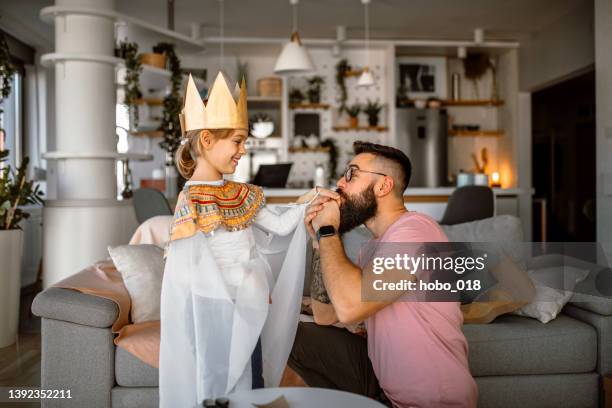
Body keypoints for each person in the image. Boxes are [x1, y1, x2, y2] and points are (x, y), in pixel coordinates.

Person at [158, 73, 338, 407]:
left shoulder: (239, 193)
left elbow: (280, 225)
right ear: (208, 140)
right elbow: (189, 268)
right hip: (213, 306)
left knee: (252, 382)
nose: (243, 150)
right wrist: (242, 285)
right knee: (218, 387)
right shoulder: (191, 201)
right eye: (237, 141)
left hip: (248, 306)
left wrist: (313, 198)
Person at [290, 141, 478, 408]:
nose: (339, 184)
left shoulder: (416, 232)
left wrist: (329, 230)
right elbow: (326, 314)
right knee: (290, 333)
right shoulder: (371, 249)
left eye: (351, 174)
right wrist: (319, 241)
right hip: (386, 392)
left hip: (435, 402)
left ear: (383, 186)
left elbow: (349, 309)